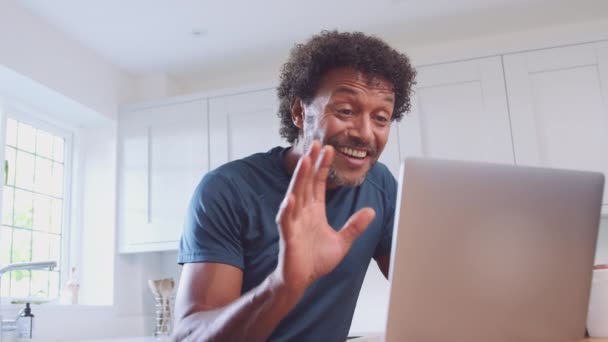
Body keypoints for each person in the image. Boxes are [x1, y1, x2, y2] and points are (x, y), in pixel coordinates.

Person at [173, 30, 416, 341]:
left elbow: (425, 293)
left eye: (381, 118)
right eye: (345, 111)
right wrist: (284, 284)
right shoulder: (227, 190)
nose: (366, 133)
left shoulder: (379, 185)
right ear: (300, 112)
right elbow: (188, 336)